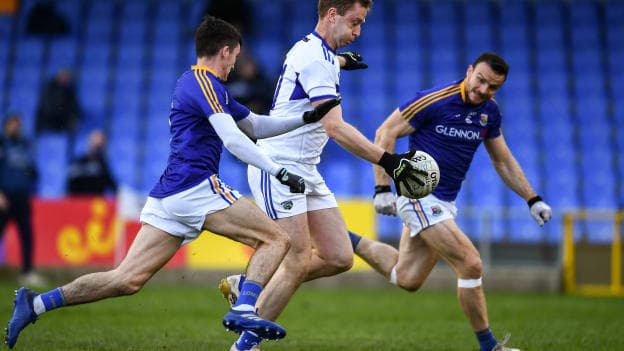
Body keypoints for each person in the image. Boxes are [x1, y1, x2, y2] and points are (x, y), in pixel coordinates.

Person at [5, 16, 342, 349]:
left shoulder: (201, 86)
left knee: (125, 279)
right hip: (195, 186)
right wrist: (279, 171)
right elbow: (234, 141)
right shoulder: (204, 83)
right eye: (235, 58)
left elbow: (253, 126)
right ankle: (243, 306)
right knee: (276, 239)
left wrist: (305, 117)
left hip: (170, 194)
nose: (235, 66)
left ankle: (35, 304)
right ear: (225, 51)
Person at [219, 1, 424, 350]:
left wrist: (341, 62)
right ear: (332, 15)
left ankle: (251, 281)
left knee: (339, 256)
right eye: (355, 22)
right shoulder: (317, 58)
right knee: (298, 260)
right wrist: (390, 161)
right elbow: (335, 128)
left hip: (305, 170)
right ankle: (245, 345)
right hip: (280, 167)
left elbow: (314, 67)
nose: (358, 32)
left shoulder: (314, 51)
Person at [350, 52, 552, 351]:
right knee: (470, 263)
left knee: (407, 277)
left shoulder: (490, 113)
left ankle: (340, 237)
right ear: (469, 71)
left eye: (492, 86)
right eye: (481, 80)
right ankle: (490, 347)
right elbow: (385, 132)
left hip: (444, 202)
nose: (483, 89)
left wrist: (532, 198)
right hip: (418, 194)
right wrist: (382, 188)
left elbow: (503, 160)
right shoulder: (434, 100)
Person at [0, 113, 46, 287]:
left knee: (27, 235)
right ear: (6, 126)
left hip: (22, 198)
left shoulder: (25, 146)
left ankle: (27, 272)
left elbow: (33, 172)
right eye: (12, 124)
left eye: (17, 124)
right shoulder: (2, 144)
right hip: (4, 197)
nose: (15, 127)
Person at [66, 129, 117, 195]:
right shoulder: (77, 163)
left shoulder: (103, 164)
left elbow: (113, 186)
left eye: (100, 146)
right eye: (95, 145)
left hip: (96, 203)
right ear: (90, 143)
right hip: (78, 202)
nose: (97, 149)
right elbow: (70, 188)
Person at [35, 68, 80, 136]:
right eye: (64, 77)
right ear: (59, 77)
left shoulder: (70, 91)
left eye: (67, 78)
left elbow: (74, 107)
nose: (66, 80)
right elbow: (47, 107)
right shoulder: (49, 89)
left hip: (63, 121)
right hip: (49, 121)